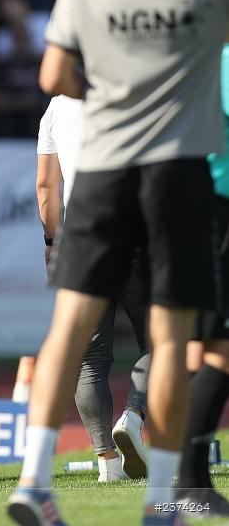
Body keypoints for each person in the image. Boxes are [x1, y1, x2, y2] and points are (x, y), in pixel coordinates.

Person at [7, 0, 228, 525]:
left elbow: (53, 74)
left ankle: (33, 481)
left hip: (101, 175)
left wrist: (109, 93)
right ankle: (162, 499)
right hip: (173, 168)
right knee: (171, 341)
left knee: (70, 336)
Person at [36, 95, 151, 482]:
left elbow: (46, 186)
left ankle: (107, 461)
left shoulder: (56, 107)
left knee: (90, 358)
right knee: (163, 343)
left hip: (82, 243)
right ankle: (133, 417)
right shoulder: (135, 84)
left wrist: (53, 243)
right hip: (137, 234)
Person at [174, 43, 229, 518]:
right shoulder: (224, 59)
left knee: (199, 350)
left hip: (202, 208)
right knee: (216, 351)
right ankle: (189, 481)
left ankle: (188, 477)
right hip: (216, 211)